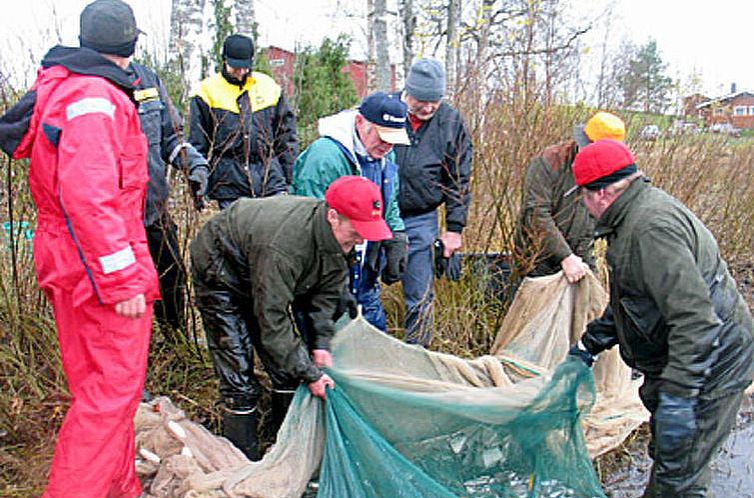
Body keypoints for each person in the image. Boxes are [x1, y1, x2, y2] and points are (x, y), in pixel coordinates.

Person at [0, 1, 159, 496]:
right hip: (96, 266)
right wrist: (122, 279)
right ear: (131, 45)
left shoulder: (65, 85)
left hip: (69, 257)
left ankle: (118, 488)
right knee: (108, 397)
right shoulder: (96, 97)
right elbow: (90, 198)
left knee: (102, 392)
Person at [567, 139, 753, 497]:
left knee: (679, 477)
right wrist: (590, 343)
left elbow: (696, 321)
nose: (584, 206)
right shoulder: (632, 217)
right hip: (684, 359)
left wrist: (680, 398)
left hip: (713, 364)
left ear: (602, 194)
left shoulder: (651, 230)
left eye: (584, 196)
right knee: (671, 461)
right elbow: (635, 298)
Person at [190, 175, 392, 460]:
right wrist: (309, 373)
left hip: (262, 269)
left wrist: (321, 344)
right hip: (221, 269)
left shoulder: (338, 241)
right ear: (333, 216)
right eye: (357, 230)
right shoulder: (285, 248)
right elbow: (272, 319)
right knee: (239, 377)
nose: (361, 239)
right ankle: (241, 461)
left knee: (287, 371)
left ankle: (285, 449)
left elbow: (326, 294)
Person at [291, 91, 409, 331]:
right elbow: (311, 223)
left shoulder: (385, 154)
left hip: (366, 277)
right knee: (326, 351)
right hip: (325, 277)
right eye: (382, 136)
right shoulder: (325, 157)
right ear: (359, 123)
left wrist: (396, 235)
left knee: (375, 346)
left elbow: (389, 200)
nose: (388, 145)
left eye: (394, 138)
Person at [392, 58, 473, 347]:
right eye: (421, 101)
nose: (427, 108)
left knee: (420, 297)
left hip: (421, 218)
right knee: (362, 290)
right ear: (407, 92)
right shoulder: (387, 110)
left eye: (434, 101)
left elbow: (459, 177)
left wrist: (454, 228)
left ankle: (417, 357)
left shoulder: (451, 121)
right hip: (376, 217)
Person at [130, 61, 209, 337]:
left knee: (171, 276)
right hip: (113, 220)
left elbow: (171, 137)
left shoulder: (147, 79)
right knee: (125, 289)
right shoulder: (90, 85)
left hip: (153, 209)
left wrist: (194, 166)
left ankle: (175, 342)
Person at [513, 111, 625, 284]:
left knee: (595, 306)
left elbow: (600, 219)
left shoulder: (611, 172)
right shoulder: (548, 162)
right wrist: (565, 256)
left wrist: (583, 260)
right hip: (537, 259)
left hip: (581, 256)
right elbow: (535, 212)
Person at [189, 33, 298, 208]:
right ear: (224, 60)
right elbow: (197, 145)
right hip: (229, 186)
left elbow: (286, 138)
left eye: (245, 67)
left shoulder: (269, 87)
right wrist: (198, 184)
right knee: (238, 235)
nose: (240, 73)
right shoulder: (205, 93)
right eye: (235, 67)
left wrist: (291, 179)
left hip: (270, 182)